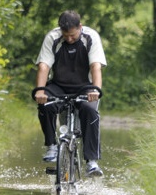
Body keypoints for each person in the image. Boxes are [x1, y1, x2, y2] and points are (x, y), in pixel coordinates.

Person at [34, 10, 106, 177]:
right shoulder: (53, 38)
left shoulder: (90, 37)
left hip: (85, 86)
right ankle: (51, 145)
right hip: (59, 85)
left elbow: (96, 66)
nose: (69, 39)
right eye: (65, 36)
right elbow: (44, 66)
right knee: (45, 104)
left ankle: (92, 161)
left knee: (90, 111)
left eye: (72, 36)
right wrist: (40, 90)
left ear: (80, 27)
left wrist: (95, 89)